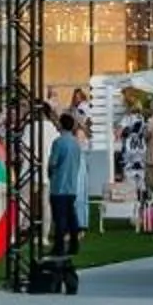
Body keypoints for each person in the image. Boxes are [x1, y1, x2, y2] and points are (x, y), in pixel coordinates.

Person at [47, 108, 86, 258]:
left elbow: (53, 163)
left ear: (61, 125)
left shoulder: (59, 142)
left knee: (60, 218)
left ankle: (59, 246)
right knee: (71, 216)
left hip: (59, 185)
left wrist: (50, 172)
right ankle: (74, 244)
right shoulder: (76, 143)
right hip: (71, 185)